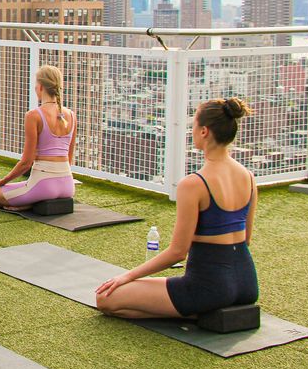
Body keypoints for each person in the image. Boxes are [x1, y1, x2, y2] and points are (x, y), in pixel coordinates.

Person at [96, 98, 258, 319]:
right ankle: (189, 307)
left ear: (204, 132)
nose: (191, 130)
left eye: (193, 125)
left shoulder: (194, 184)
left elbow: (177, 252)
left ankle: (189, 312)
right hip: (247, 284)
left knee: (106, 298)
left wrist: (127, 276)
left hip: (209, 289)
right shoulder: (248, 177)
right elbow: (246, 239)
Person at [0, 65, 76, 208]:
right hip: (68, 186)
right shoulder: (71, 115)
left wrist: (2, 182)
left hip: (43, 187)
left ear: (39, 87)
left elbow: (26, 162)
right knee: (24, 186)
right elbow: (69, 159)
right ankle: (29, 199)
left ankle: (28, 201)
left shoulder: (34, 115)